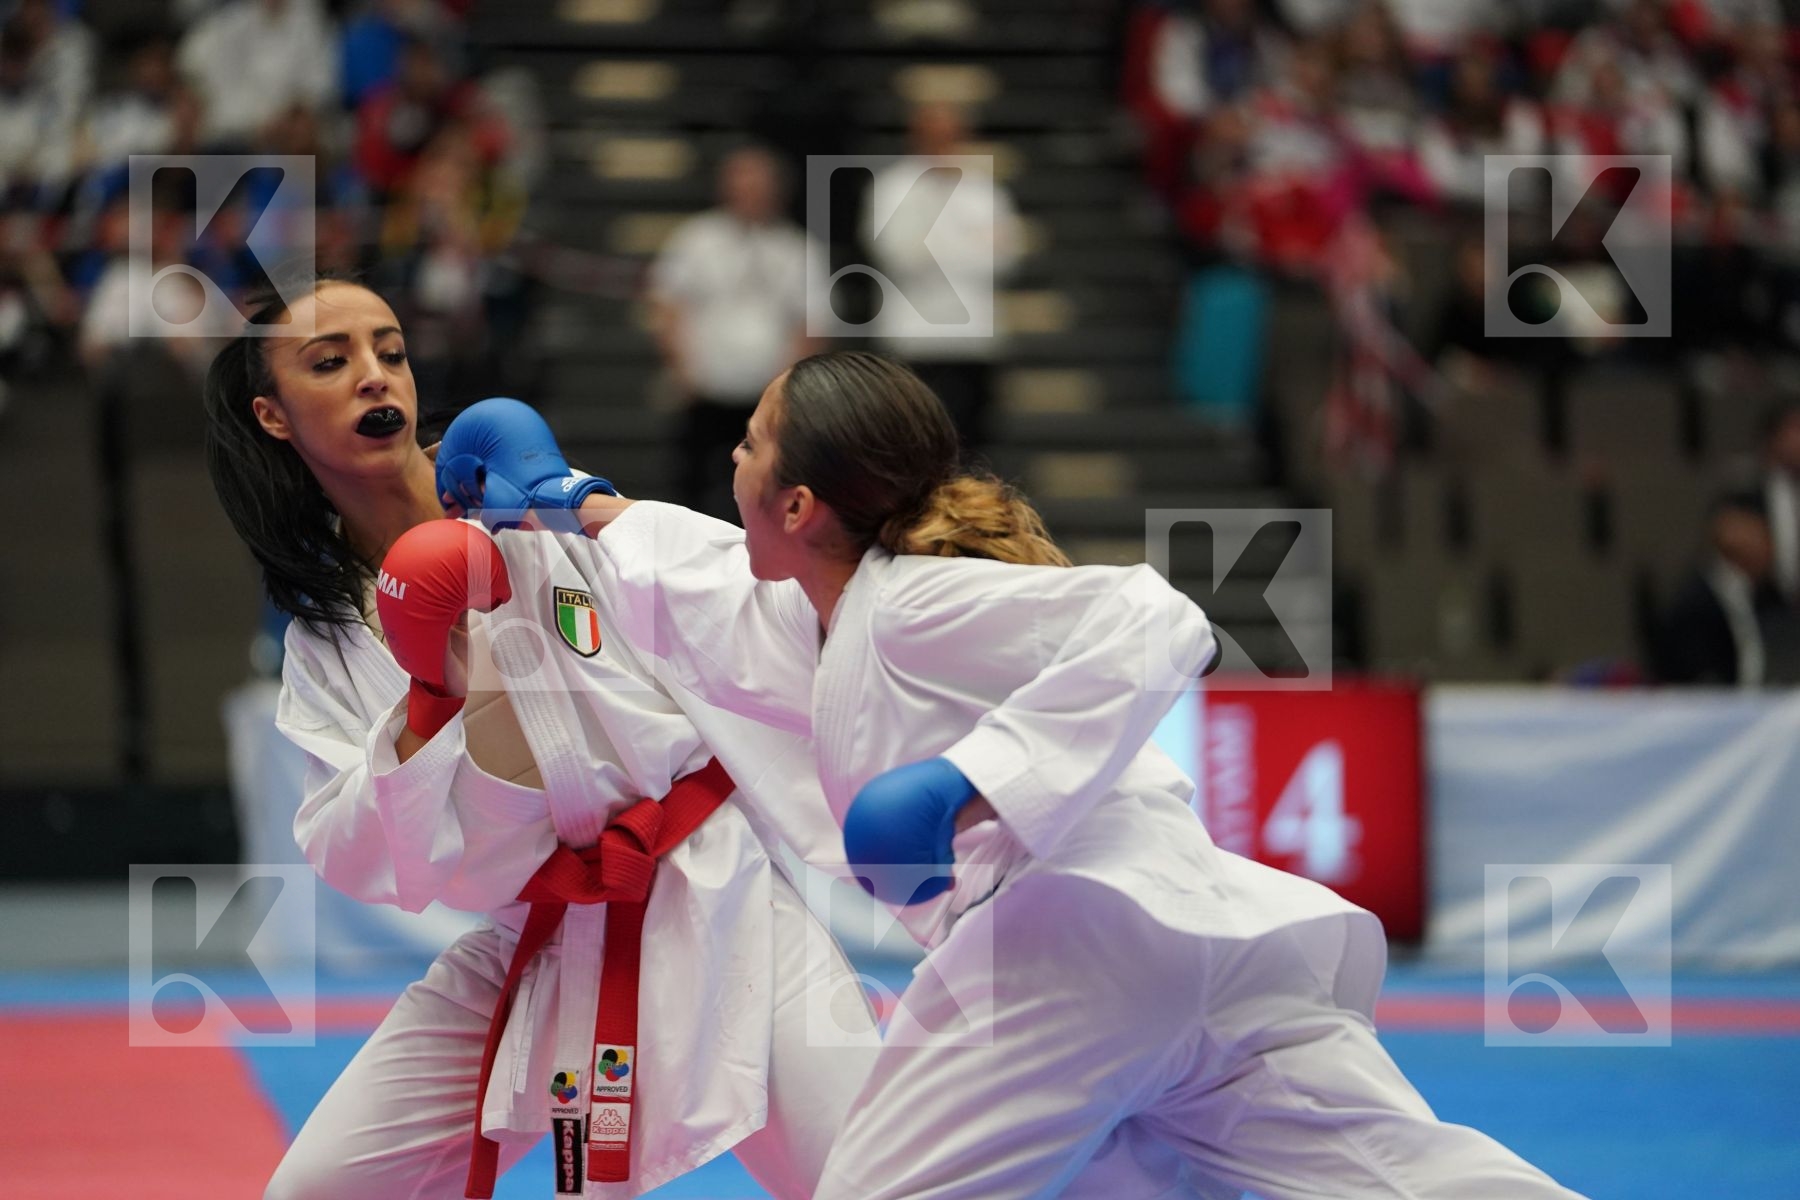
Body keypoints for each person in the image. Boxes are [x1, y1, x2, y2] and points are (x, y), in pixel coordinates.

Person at [435, 351, 1592, 1199]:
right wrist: (566, 501)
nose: (727, 457)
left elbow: (1156, 619)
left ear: (795, 504)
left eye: (747, 443)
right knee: (1407, 1173)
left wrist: (968, 781)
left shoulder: (914, 603)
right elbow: (700, 578)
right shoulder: (823, 609)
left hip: (1071, 946)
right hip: (1202, 947)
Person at [202, 278, 879, 1200]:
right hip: (541, 934)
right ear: (274, 417)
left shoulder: (516, 487)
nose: (374, 376)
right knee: (315, 1191)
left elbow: (748, 603)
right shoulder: (328, 634)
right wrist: (429, 698)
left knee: (882, 1182)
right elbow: (362, 857)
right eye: (332, 362)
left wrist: (578, 502)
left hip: (717, 894)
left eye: (390, 352)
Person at [647, 145, 822, 521]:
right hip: (705, 387)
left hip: (766, 394)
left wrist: (788, 388)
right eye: (741, 182)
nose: (749, 193)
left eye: (758, 184)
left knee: (766, 487)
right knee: (691, 482)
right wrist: (681, 367)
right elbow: (666, 304)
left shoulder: (797, 249)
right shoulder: (696, 240)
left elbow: (811, 321)